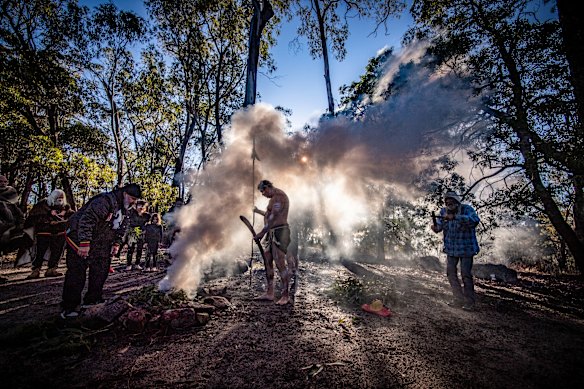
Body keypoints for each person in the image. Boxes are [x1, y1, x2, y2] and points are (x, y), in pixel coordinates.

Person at [60, 183, 141, 318]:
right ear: (124, 194)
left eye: (135, 199)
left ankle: (92, 300)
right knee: (77, 272)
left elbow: (123, 227)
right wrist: (84, 243)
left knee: (101, 269)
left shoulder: (126, 209)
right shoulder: (104, 201)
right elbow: (87, 220)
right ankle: (69, 307)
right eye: (132, 198)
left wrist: (116, 243)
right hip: (79, 237)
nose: (133, 202)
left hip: (101, 241)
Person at [431, 190, 480, 311]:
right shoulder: (443, 212)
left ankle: (470, 302)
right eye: (447, 202)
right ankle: (458, 299)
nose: (449, 204)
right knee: (451, 273)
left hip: (466, 248)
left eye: (451, 201)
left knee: (465, 275)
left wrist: (456, 217)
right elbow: (439, 226)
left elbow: (475, 221)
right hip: (451, 249)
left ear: (457, 202)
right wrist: (435, 227)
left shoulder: (467, 209)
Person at [253, 179, 292, 305]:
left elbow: (273, 217)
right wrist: (258, 211)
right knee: (268, 259)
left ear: (268, 187)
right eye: (261, 191)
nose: (262, 193)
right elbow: (269, 214)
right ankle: (270, 293)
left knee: (280, 262)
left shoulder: (279, 196)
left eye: (263, 190)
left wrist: (261, 233)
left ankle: (285, 295)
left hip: (280, 232)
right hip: (272, 233)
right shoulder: (273, 199)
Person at [24, 189, 74, 279]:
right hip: (44, 232)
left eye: (62, 197)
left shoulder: (66, 207)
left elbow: (72, 217)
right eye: (58, 197)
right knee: (39, 252)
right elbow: (32, 218)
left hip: (60, 233)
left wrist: (65, 215)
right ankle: (36, 270)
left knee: (57, 251)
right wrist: (48, 218)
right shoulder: (42, 205)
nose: (60, 199)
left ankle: (52, 269)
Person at [124, 199, 150, 271]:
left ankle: (137, 264)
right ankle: (128, 264)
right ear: (136, 206)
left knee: (140, 249)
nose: (141, 208)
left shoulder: (147, 216)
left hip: (141, 234)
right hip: (132, 232)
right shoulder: (132, 213)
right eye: (139, 206)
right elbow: (129, 222)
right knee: (131, 249)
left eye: (143, 206)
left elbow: (148, 224)